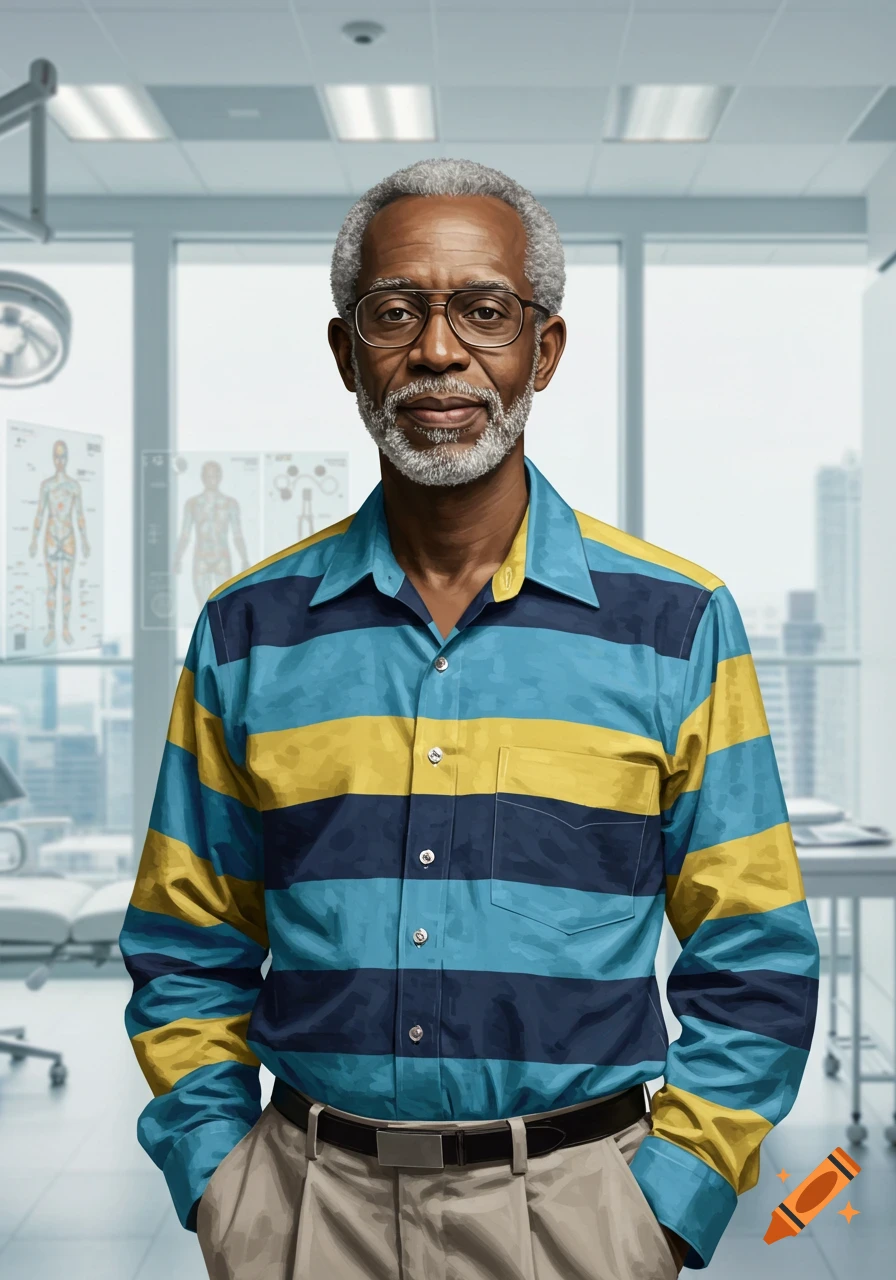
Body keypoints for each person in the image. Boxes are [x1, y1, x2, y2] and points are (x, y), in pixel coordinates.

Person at [120, 159, 819, 1279]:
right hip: (304, 1213)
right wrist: (219, 1177)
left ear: (541, 349)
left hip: (577, 1214)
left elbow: (754, 953)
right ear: (349, 354)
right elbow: (185, 939)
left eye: (483, 312)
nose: (438, 351)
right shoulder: (246, 628)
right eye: (396, 311)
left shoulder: (674, 622)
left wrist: (665, 1204)